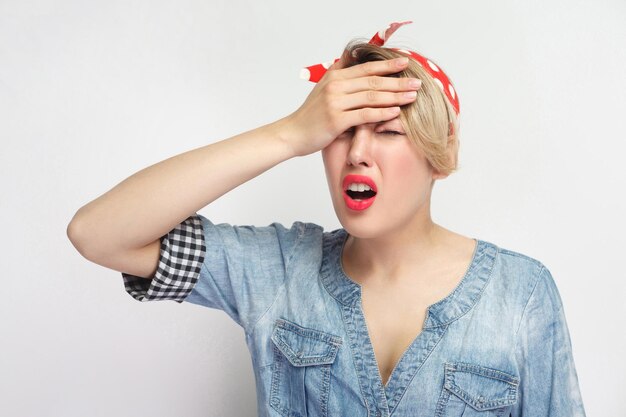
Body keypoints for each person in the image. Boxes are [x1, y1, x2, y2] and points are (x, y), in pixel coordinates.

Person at [67, 22, 586, 417]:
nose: (357, 153)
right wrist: (291, 133)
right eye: (341, 131)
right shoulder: (277, 270)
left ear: (437, 154)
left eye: (386, 132)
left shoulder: (522, 294)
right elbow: (98, 233)